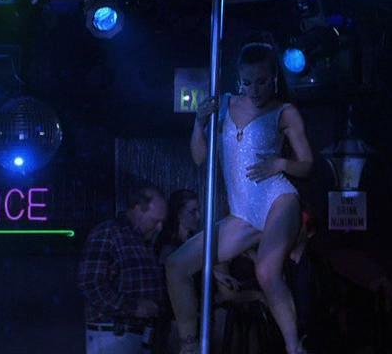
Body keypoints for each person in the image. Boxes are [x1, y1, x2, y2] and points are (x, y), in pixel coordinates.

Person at [165, 31, 314, 354]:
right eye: (248, 83)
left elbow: (307, 165)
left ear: (274, 78)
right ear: (239, 80)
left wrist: (281, 163)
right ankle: (190, 346)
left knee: (266, 271)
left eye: (262, 82)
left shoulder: (284, 112)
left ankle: (294, 348)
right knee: (176, 265)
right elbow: (199, 158)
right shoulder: (223, 105)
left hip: (278, 199)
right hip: (243, 213)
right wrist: (198, 123)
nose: (255, 90)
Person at [77, 186, 168, 354]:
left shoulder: (142, 242)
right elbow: (91, 284)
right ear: (138, 210)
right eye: (155, 221)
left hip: (139, 335)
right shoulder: (109, 234)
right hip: (114, 336)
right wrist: (133, 307)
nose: (159, 227)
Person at [154, 189, 202, 354]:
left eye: (198, 211)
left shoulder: (195, 243)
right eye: (193, 212)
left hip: (196, 317)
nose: (198, 217)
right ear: (179, 215)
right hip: (174, 319)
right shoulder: (168, 246)